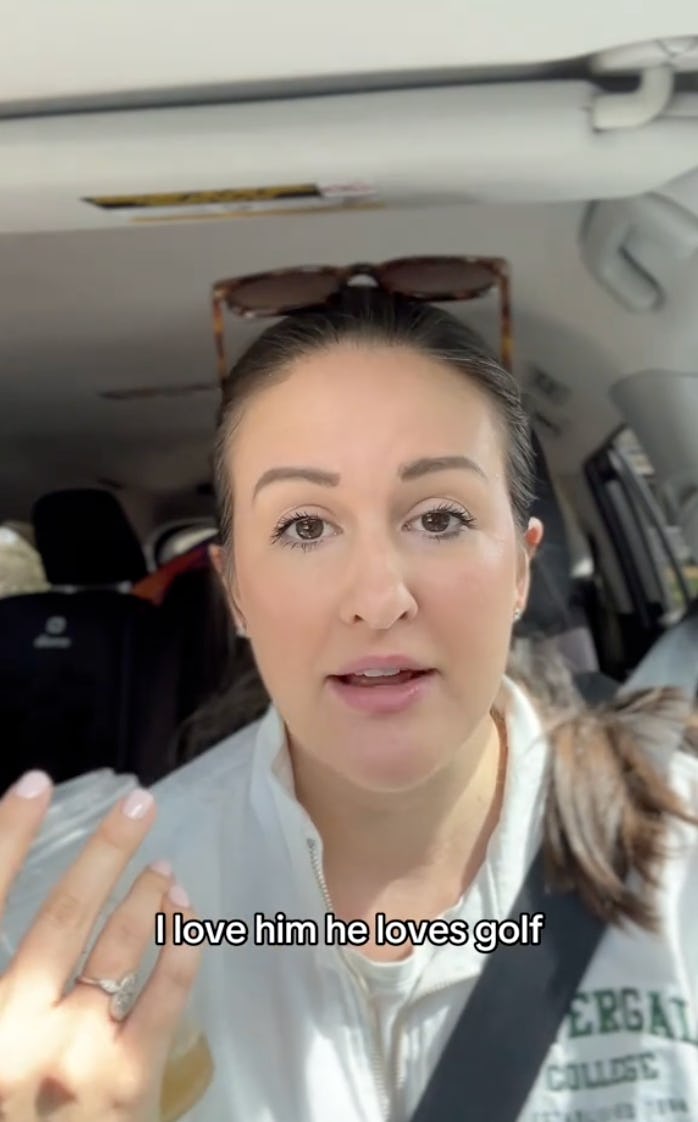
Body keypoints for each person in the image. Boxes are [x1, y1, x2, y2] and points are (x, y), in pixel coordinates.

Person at [0, 288, 696, 1121]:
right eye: (303, 527)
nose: (377, 598)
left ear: (521, 568)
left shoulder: (678, 851)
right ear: (237, 595)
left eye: (439, 517)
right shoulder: (63, 928)